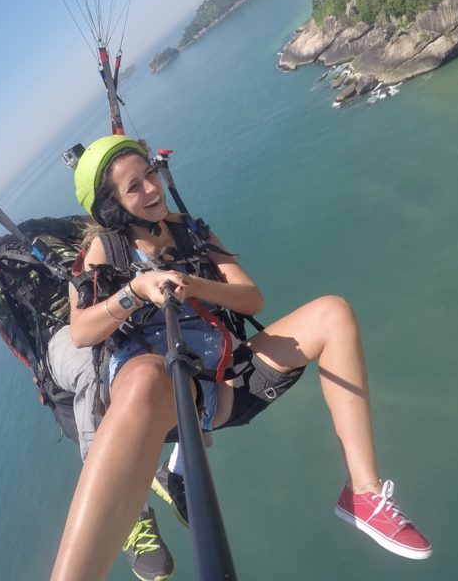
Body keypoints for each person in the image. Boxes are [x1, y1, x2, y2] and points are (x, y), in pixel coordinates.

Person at [49, 135, 433, 581]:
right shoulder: (103, 252)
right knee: (147, 377)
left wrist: (194, 285)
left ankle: (363, 494)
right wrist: (135, 291)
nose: (152, 189)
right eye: (134, 187)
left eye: (150, 174)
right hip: (160, 392)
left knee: (333, 313)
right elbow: (82, 330)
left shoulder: (190, 230)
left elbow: (251, 298)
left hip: (222, 377)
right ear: (113, 207)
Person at [0, 185, 175, 581]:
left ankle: (171, 469)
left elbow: (101, 227)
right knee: (97, 369)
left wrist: (121, 184)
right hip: (63, 337)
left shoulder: (34, 231)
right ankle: (126, 518)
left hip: (108, 308)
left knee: (180, 342)